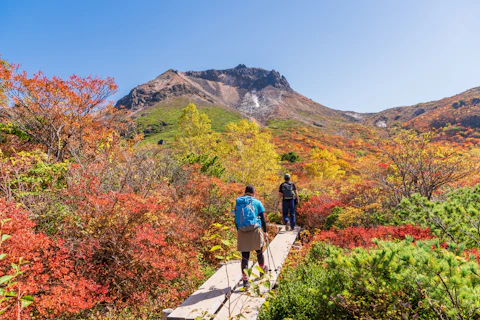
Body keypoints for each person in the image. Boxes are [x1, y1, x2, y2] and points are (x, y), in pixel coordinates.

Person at [234, 185, 268, 288]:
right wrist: (265, 231)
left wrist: (239, 230)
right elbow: (263, 219)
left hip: (242, 231)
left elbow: (236, 219)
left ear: (245, 192)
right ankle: (262, 272)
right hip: (255, 230)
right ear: (254, 193)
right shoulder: (257, 202)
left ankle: (245, 281)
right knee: (259, 252)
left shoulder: (239, 203)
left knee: (245, 256)